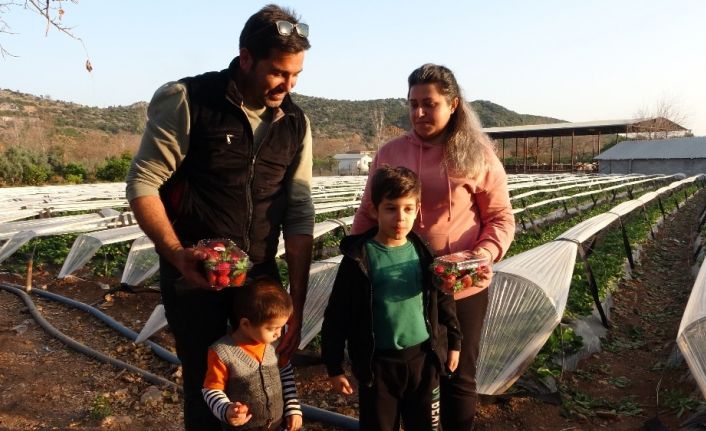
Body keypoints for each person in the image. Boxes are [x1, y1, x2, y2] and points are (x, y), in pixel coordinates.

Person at [125, 5, 314, 430]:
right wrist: (177, 255)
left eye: (296, 74)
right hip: (198, 278)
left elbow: (299, 211)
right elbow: (143, 183)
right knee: (208, 390)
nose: (289, 84)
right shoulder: (190, 100)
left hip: (261, 278)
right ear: (246, 57)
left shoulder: (296, 123)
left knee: (267, 384)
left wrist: (297, 302)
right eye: (278, 72)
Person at [351, 64, 515, 430]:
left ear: (453, 104)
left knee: (457, 373)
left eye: (430, 104)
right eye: (412, 104)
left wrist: (482, 254)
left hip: (460, 286)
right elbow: (366, 212)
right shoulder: (391, 153)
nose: (419, 113)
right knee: (404, 370)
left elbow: (501, 218)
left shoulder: (477, 155)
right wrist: (353, 261)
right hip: (401, 285)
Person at [322, 165, 463, 431]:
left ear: (418, 210)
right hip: (378, 367)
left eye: (408, 209)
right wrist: (334, 365)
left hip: (423, 361)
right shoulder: (359, 258)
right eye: (391, 208)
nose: (400, 218)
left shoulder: (423, 253)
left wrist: (454, 341)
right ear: (374, 210)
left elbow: (443, 297)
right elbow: (337, 313)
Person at [202, 277, 303, 431]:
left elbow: (286, 375)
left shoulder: (275, 346)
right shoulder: (222, 352)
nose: (278, 334)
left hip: (278, 424)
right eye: (272, 328)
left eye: (281, 328)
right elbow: (211, 390)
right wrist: (227, 409)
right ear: (245, 324)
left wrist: (293, 408)